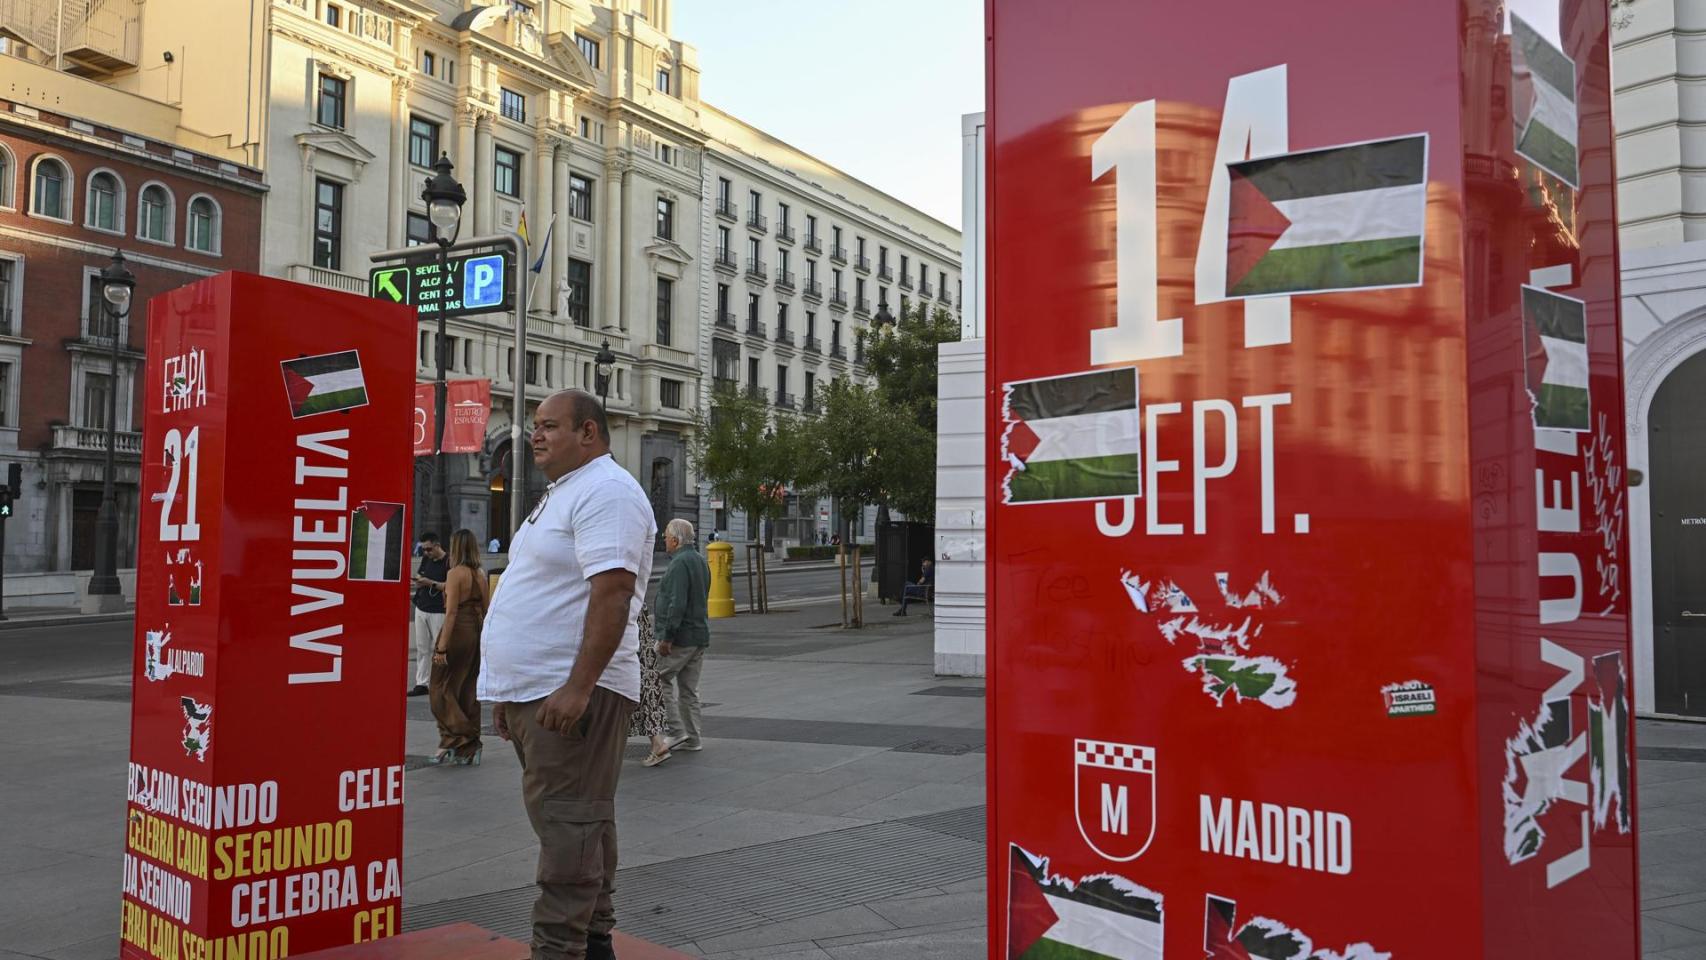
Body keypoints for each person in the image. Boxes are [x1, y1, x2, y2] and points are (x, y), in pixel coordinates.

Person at [479, 389, 656, 960]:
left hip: (571, 692)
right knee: (580, 821)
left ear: (588, 432)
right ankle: (595, 941)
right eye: (534, 425)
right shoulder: (565, 492)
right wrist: (508, 693)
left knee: (569, 828)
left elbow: (613, 593)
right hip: (539, 692)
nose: (535, 435)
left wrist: (579, 687)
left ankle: (559, 949)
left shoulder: (607, 491)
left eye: (549, 425)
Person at [654, 518, 711, 754]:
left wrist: (667, 637)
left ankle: (676, 732)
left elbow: (676, 603)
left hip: (681, 637)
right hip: (698, 634)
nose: (664, 540)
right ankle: (693, 738)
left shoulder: (679, 563)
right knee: (689, 689)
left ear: (676, 541)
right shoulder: (700, 560)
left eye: (666, 537)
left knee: (658, 680)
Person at [430, 529, 486, 765]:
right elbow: (486, 609)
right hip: (475, 631)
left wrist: (441, 647)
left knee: (439, 687)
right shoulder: (479, 574)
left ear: (455, 548)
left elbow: (451, 612)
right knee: (467, 688)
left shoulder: (455, 573)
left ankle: (456, 738)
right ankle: (468, 748)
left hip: (456, 633)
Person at [630, 607, 672, 766]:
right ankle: (657, 742)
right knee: (645, 684)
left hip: (624, 633)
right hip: (638, 630)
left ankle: (657, 743)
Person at [409, 533, 448, 696]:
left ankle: (441, 682)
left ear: (437, 545)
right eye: (424, 550)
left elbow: (449, 585)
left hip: (438, 609)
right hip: (422, 607)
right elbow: (421, 575)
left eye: (429, 549)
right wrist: (419, 580)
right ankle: (422, 683)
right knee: (422, 648)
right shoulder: (426, 559)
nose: (426, 553)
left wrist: (430, 583)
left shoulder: (448, 562)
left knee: (439, 647)